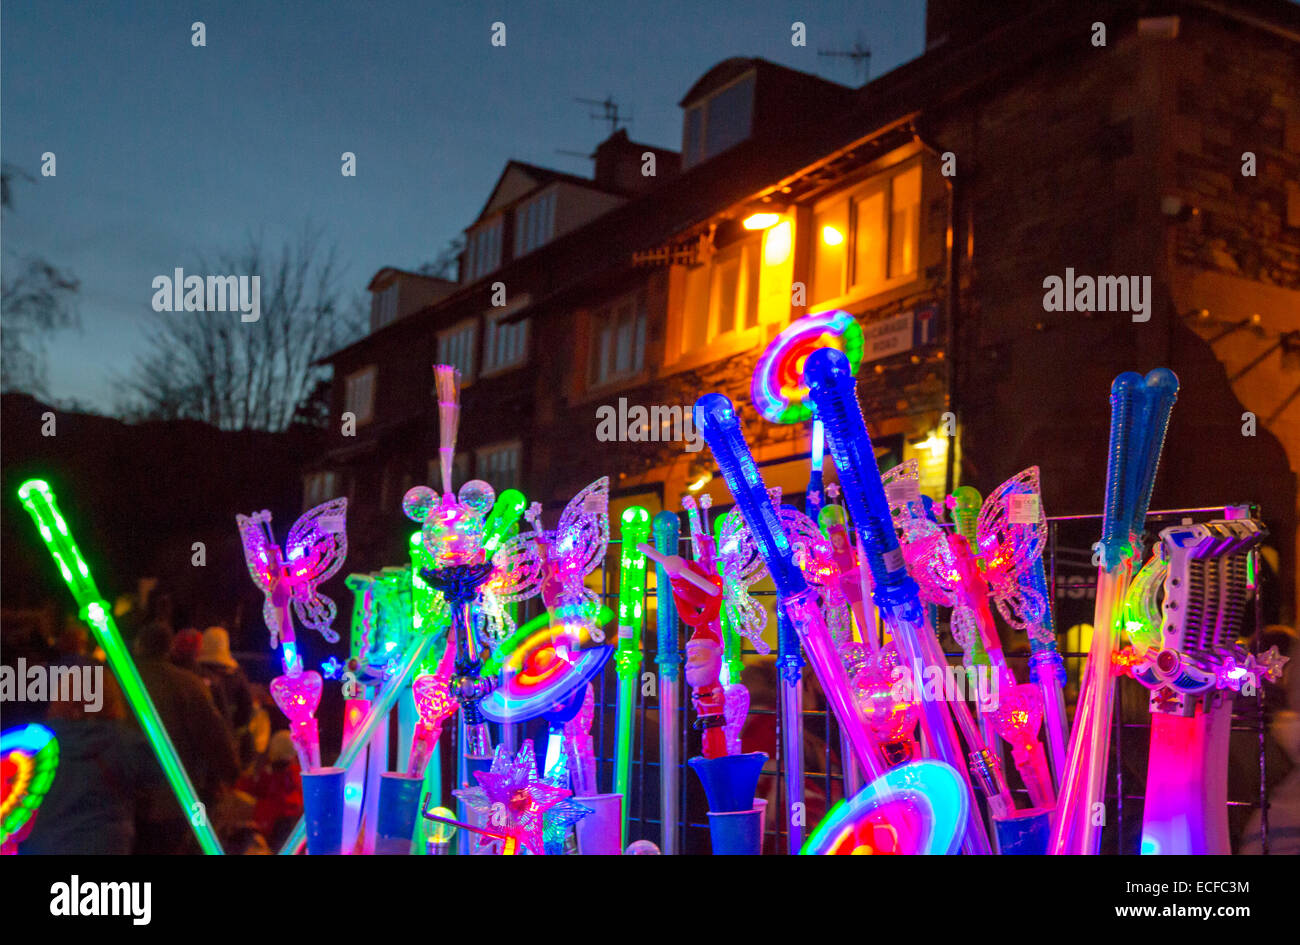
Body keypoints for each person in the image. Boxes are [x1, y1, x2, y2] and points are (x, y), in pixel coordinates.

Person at [133, 622, 240, 853]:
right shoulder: (188, 685)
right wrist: (230, 772)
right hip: (170, 796)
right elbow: (212, 733)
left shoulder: (114, 681)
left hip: (122, 795)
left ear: (139, 646)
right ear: (169, 648)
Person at [197, 625, 256, 766]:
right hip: (226, 734)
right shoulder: (235, 675)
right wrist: (236, 728)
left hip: (198, 735)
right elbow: (247, 707)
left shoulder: (195, 673)